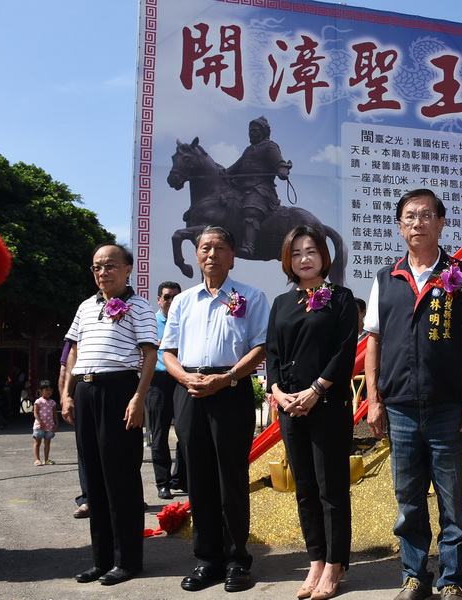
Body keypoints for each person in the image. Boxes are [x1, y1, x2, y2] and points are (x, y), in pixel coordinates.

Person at [364, 188, 462, 600]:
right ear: (400, 226)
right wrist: (374, 401)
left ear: (441, 222)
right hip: (398, 408)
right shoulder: (386, 278)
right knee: (409, 500)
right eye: (409, 216)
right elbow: (375, 342)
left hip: (447, 408)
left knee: (453, 502)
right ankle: (413, 576)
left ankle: (451, 579)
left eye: (426, 215)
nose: (417, 222)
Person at [161, 226, 269, 593]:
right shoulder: (183, 301)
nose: (212, 254)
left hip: (231, 389)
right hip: (189, 391)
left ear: (232, 255)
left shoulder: (251, 297)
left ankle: (238, 559)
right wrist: (185, 378)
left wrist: (228, 377)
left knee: (232, 478)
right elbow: (167, 351)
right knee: (200, 479)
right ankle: (206, 559)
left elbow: (260, 347)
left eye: (220, 247)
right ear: (195, 255)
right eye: (205, 248)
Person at [266, 225, 358, 600]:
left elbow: (345, 351)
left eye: (312, 252)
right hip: (290, 408)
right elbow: (272, 353)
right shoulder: (281, 303)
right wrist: (277, 393)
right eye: (298, 253)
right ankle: (315, 559)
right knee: (304, 488)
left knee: (330, 488)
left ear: (324, 257)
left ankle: (335, 565)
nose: (305, 259)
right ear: (288, 259)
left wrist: (317, 389)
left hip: (327, 406)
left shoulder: (341, 297)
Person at [61, 243, 158, 586]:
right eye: (97, 267)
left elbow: (148, 355)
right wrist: (67, 393)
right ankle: (100, 559)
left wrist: (137, 398)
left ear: (128, 268)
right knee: (95, 482)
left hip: (119, 390)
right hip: (86, 392)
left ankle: (128, 560)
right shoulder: (86, 306)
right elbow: (73, 351)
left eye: (111, 266)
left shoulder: (140, 307)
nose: (103, 272)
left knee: (121, 478)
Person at [226, 116, 291, 257]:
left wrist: (282, 170)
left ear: (264, 132)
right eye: (250, 130)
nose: (252, 133)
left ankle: (249, 245)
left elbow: (279, 163)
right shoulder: (249, 150)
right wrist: (220, 173)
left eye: (255, 130)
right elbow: (234, 169)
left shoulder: (270, 146)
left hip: (261, 190)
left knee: (251, 211)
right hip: (242, 190)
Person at [146, 281, 188, 500]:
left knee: (185, 431)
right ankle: (163, 483)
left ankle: (180, 478)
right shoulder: (151, 322)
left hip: (182, 379)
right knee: (160, 434)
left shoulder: (186, 319)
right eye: (166, 297)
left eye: (174, 297)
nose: (170, 301)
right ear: (158, 299)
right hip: (159, 381)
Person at [60, 341, 89, 518]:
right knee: (86, 449)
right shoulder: (82, 315)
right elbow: (68, 362)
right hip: (84, 385)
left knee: (122, 446)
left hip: (121, 385)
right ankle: (88, 499)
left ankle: (125, 495)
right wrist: (66, 395)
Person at [32, 380, 59, 465]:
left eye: (50, 390)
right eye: (46, 390)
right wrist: (40, 422)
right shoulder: (38, 402)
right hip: (39, 426)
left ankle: (46, 459)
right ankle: (37, 459)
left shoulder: (52, 403)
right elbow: (35, 413)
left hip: (49, 426)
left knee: (47, 443)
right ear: (41, 391)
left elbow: (54, 414)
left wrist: (56, 424)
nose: (49, 392)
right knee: (37, 442)